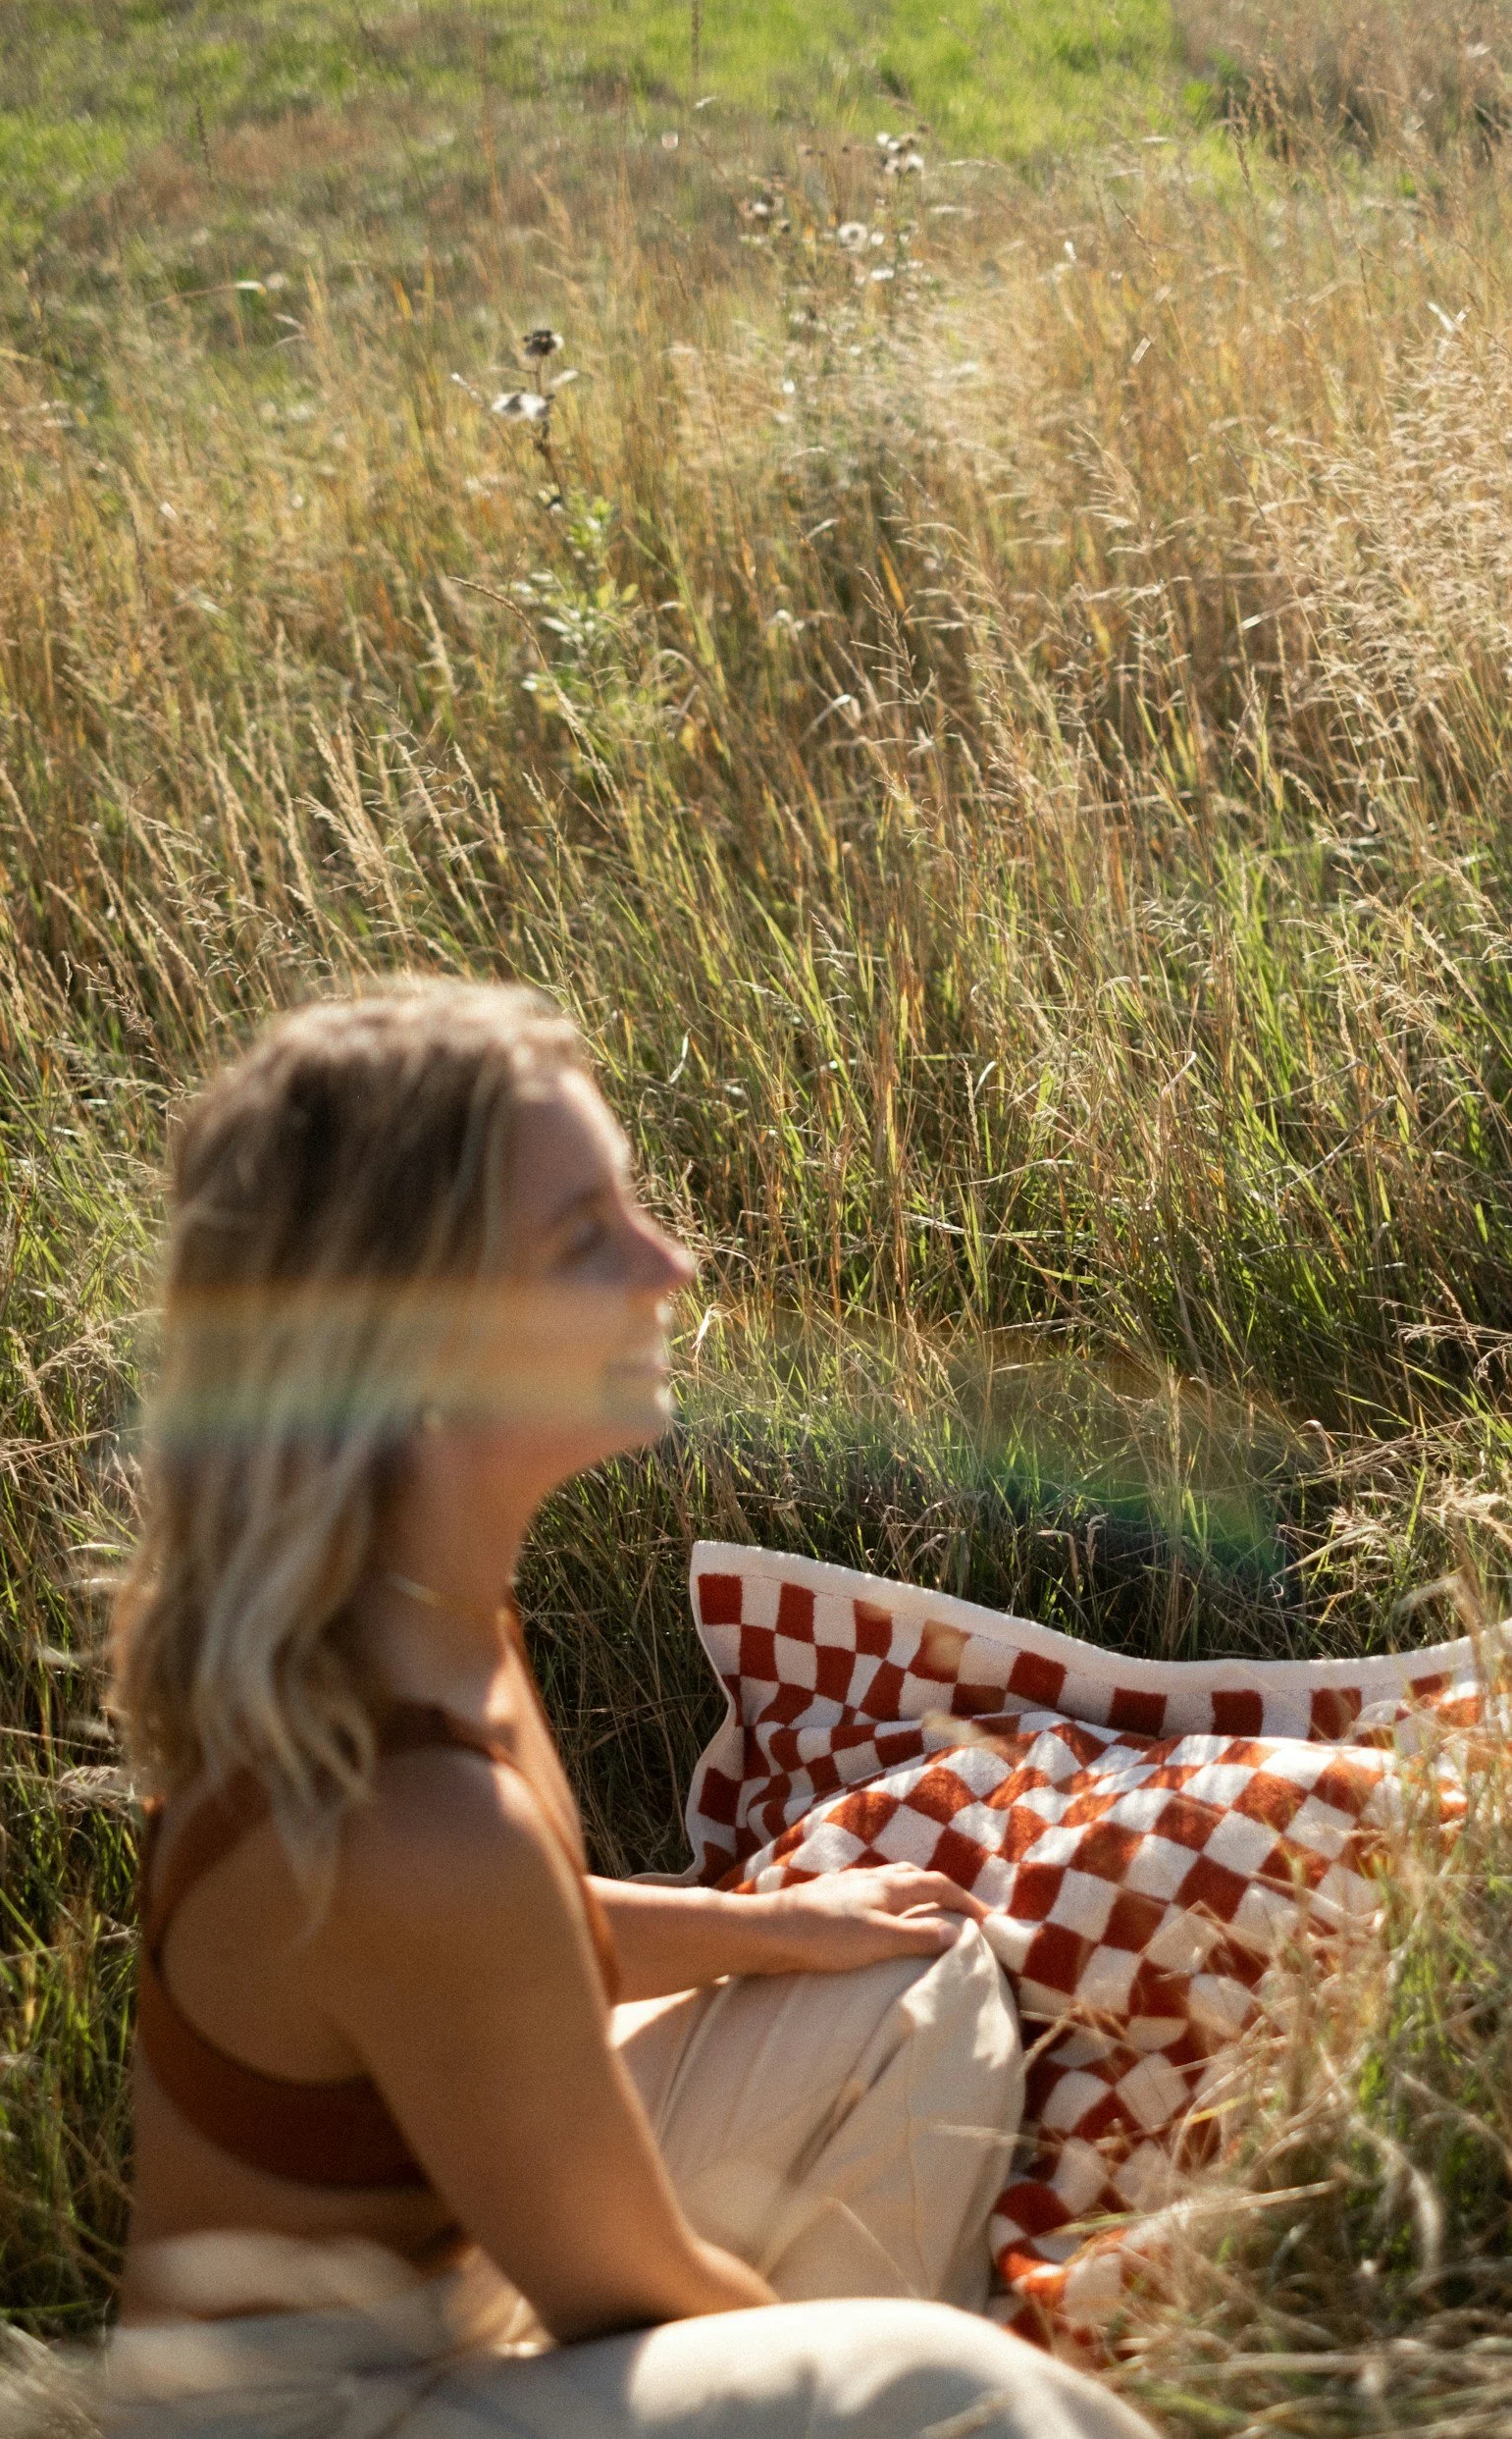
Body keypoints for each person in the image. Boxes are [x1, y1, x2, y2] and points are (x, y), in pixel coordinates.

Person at [102, 981, 1156, 2439]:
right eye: (583, 1238)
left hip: (469, 2315)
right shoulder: (407, 1808)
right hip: (343, 2419)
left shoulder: (407, 1609)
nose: (667, 1263)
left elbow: (509, 1946)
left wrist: (777, 1926)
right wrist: (834, 2373)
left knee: (899, 1985)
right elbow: (628, 2287)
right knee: (956, 2390)